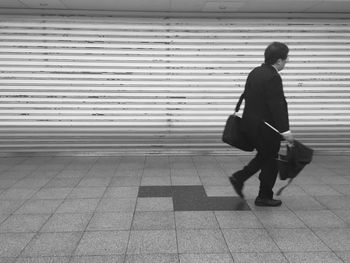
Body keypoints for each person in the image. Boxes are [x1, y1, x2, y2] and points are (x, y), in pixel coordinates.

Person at [230, 42, 294, 207]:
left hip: (252, 125)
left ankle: (252, 186)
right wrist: (285, 130)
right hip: (266, 128)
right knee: (269, 159)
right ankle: (258, 192)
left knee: (266, 158)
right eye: (285, 60)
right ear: (279, 61)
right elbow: (277, 106)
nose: (285, 63)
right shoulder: (273, 77)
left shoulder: (255, 72)